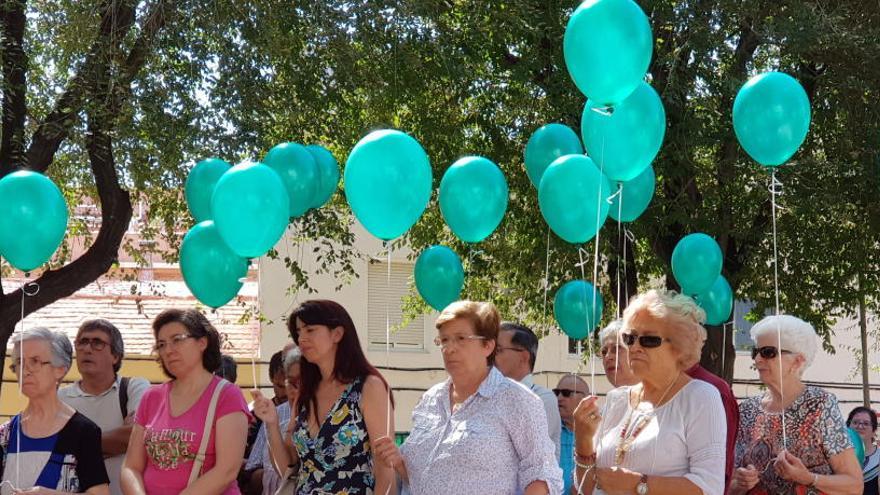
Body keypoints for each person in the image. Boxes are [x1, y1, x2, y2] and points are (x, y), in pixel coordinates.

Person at [373, 300, 563, 495]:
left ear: (488, 346)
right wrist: (397, 461)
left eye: (461, 338)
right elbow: (422, 479)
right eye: (444, 340)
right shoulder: (430, 399)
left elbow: (542, 473)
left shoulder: (517, 399)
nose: (450, 348)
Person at [573, 289, 727, 495]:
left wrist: (637, 484)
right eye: (629, 338)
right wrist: (583, 443)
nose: (635, 347)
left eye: (649, 340)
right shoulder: (617, 399)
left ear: (679, 347)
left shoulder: (700, 397)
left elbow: (709, 487)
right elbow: (586, 489)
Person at [251, 300, 394, 494]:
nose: (301, 338)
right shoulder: (305, 393)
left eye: (310, 330)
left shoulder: (369, 387)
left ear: (337, 334)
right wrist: (271, 424)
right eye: (298, 332)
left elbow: (386, 470)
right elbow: (287, 468)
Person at [121, 308, 251, 495]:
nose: (168, 350)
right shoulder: (151, 397)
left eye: (177, 339)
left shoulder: (227, 395)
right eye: (162, 344)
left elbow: (227, 471)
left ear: (202, 342)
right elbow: (131, 466)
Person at [730, 315, 862, 495]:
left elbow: (854, 485)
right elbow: (727, 484)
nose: (758, 359)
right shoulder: (747, 410)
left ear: (797, 361)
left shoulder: (819, 404)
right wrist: (739, 483)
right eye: (755, 352)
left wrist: (808, 478)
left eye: (768, 352)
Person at [0, 327, 110, 494]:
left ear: (60, 369)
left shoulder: (83, 431)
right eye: (20, 362)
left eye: (35, 361)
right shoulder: (5, 434)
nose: (25, 371)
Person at [59, 319, 150, 495]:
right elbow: (53, 447)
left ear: (115, 356)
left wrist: (78, 446)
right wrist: (114, 442)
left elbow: (136, 437)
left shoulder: (134, 387)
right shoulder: (60, 398)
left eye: (97, 343)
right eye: (82, 342)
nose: (87, 349)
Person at [496, 322, 562, 459]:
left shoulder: (542, 399)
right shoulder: (487, 395)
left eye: (498, 350)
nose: (490, 357)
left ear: (523, 357)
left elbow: (511, 453)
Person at [245, 348, 300, 495]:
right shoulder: (273, 414)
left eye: (301, 382)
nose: (291, 392)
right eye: (291, 384)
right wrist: (272, 425)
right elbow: (286, 470)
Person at [555, 374, 590, 495]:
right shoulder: (549, 430)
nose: (559, 398)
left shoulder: (598, 434)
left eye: (566, 393)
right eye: (556, 392)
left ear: (586, 399)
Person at [847, 406, 878, 495]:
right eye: (855, 422)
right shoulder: (838, 457)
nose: (860, 426)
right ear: (848, 427)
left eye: (866, 423)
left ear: (874, 430)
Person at [598, 320, 637, 387]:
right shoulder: (612, 396)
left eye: (616, 349)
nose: (607, 357)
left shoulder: (659, 395)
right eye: (604, 352)